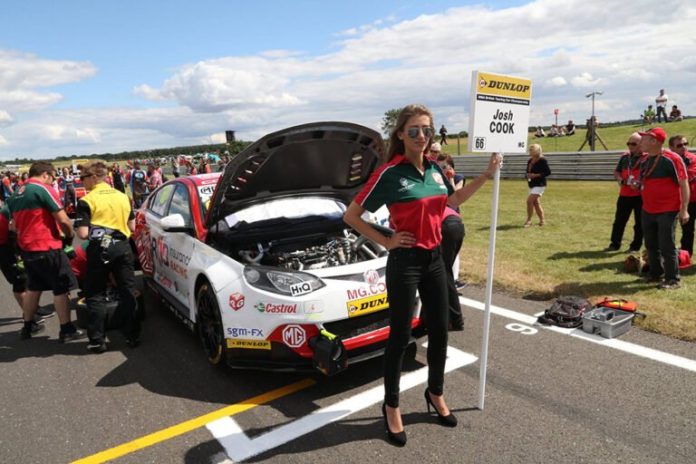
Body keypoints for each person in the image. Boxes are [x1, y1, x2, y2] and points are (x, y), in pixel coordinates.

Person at [343, 104, 501, 446]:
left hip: (434, 260)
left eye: (426, 130)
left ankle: (436, 393)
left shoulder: (434, 169)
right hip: (405, 261)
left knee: (440, 330)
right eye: (413, 130)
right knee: (400, 337)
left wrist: (486, 175)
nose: (420, 136)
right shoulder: (390, 173)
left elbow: (453, 199)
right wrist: (386, 239)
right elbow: (352, 216)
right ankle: (392, 405)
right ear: (400, 134)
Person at [5, 162, 85, 341]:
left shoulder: (16, 193)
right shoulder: (42, 189)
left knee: (34, 287)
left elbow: (14, 226)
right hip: (48, 246)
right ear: (46, 174)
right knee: (61, 287)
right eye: (53, 176)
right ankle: (66, 329)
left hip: (27, 248)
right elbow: (63, 220)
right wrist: (69, 236)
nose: (53, 180)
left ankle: (28, 327)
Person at [75, 161, 139, 353]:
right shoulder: (122, 196)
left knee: (95, 293)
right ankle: (133, 335)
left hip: (100, 249)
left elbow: (83, 234)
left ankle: (97, 340)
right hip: (122, 247)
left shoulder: (87, 200)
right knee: (128, 290)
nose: (81, 182)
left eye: (83, 178)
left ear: (94, 177)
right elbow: (133, 228)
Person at [638, 127, 689, 289]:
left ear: (654, 141)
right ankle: (655, 274)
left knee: (667, 245)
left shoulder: (672, 158)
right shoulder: (645, 160)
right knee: (651, 244)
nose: (641, 141)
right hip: (648, 209)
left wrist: (684, 209)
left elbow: (683, 183)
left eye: (644, 138)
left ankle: (672, 279)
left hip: (668, 209)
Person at [435, 153, 466, 331]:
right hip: (448, 223)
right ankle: (452, 316)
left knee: (443, 272)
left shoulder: (457, 177)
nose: (443, 169)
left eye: (445, 166)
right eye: (440, 166)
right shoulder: (435, 177)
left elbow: (454, 198)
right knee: (445, 270)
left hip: (448, 222)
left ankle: (454, 318)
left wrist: (451, 179)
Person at [605, 133, 645, 252]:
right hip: (624, 195)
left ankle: (635, 246)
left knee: (639, 223)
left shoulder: (646, 158)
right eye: (629, 143)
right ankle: (614, 244)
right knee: (619, 221)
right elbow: (617, 172)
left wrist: (639, 183)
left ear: (641, 144)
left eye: (634, 144)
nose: (630, 146)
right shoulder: (624, 157)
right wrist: (619, 179)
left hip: (640, 196)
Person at [669, 135, 696, 256]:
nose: (684, 147)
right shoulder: (668, 161)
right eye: (679, 145)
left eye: (686, 144)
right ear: (671, 147)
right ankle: (686, 255)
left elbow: (688, 176)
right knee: (687, 231)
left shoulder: (694, 158)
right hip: (683, 202)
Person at [524, 144, 551, 227]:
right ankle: (542, 220)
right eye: (530, 150)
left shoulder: (542, 160)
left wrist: (536, 175)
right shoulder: (530, 161)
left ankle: (528, 220)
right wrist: (528, 175)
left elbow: (548, 172)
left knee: (529, 201)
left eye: (532, 150)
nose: (530, 151)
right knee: (536, 203)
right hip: (531, 184)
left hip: (540, 184)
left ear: (536, 151)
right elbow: (527, 171)